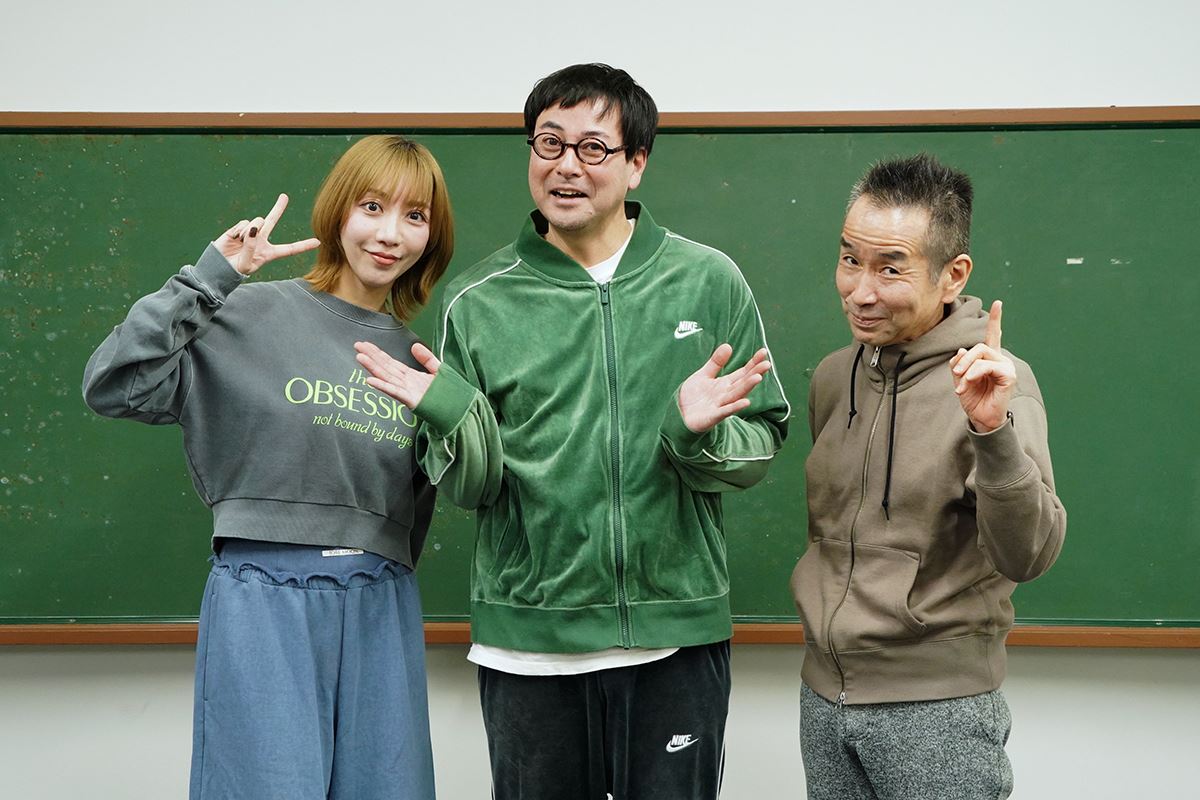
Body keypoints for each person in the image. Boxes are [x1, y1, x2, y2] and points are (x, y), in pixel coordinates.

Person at [354, 63, 790, 800]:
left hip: (675, 637)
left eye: (592, 148)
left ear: (636, 162)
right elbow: (470, 489)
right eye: (548, 143)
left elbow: (762, 442)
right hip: (530, 646)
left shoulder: (708, 281)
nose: (565, 166)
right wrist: (453, 419)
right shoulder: (478, 301)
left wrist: (694, 436)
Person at [82, 135, 454, 800]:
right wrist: (208, 279)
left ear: (432, 237)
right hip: (263, 594)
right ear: (339, 211)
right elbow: (113, 386)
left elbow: (415, 510)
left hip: (381, 602)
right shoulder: (244, 314)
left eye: (415, 216)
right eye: (372, 207)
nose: (390, 234)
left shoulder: (421, 361)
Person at [791, 153, 1067, 799]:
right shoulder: (834, 376)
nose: (860, 290)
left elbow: (1029, 555)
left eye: (890, 268)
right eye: (850, 259)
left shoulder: (994, 384)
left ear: (953, 275)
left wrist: (991, 433)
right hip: (823, 696)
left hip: (937, 710)